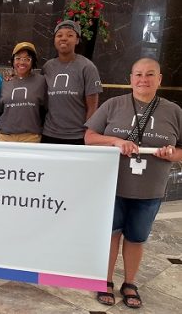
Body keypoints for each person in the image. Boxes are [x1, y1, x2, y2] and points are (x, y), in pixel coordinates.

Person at [85, 58, 182, 309]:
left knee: (137, 238)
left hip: (150, 189)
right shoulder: (113, 105)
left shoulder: (173, 111)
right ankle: (104, 280)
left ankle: (129, 283)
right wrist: (115, 142)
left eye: (150, 75)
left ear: (159, 80)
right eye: (138, 74)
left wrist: (173, 154)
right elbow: (89, 137)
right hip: (112, 186)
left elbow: (181, 150)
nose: (143, 80)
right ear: (130, 78)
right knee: (111, 234)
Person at [41, 20, 102, 144]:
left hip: (77, 136)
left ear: (77, 40)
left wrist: (88, 132)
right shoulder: (48, 67)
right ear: (54, 40)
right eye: (59, 35)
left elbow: (93, 106)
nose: (64, 38)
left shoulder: (87, 67)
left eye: (70, 35)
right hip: (49, 134)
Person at [0, 42, 47, 143]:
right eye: (18, 58)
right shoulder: (5, 81)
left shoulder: (41, 81)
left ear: (33, 61)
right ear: (13, 61)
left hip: (30, 137)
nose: (22, 62)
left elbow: (45, 109)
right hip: (4, 137)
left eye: (27, 59)